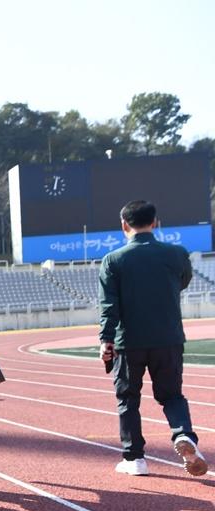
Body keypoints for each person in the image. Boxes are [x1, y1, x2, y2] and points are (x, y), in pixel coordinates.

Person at [99, 199, 206, 477]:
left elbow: (109, 306)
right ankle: (184, 435)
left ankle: (134, 459)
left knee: (128, 399)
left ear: (124, 225)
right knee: (172, 396)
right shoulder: (177, 254)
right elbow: (181, 283)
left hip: (128, 342)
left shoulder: (114, 260)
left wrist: (105, 340)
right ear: (155, 222)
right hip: (168, 338)